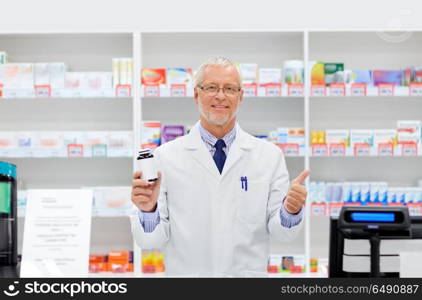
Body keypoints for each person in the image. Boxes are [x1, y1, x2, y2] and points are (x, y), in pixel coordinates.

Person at [130, 57, 309, 277]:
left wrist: (291, 211)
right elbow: (150, 240)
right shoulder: (166, 157)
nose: (221, 96)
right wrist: (148, 210)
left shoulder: (269, 156)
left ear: (240, 96)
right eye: (211, 87)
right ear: (196, 94)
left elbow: (283, 234)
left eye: (230, 89)